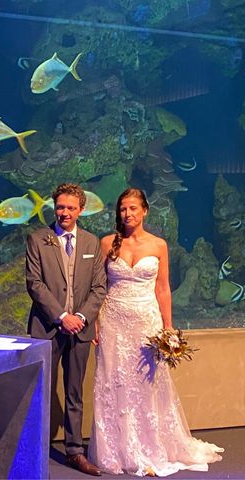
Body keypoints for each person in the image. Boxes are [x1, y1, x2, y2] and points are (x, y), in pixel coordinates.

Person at [89, 188, 223, 477]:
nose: (128, 214)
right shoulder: (107, 243)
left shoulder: (159, 245)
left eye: (134, 208)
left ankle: (151, 447)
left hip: (147, 324)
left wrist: (168, 327)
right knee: (114, 383)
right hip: (113, 321)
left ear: (145, 210)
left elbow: (163, 288)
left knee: (148, 384)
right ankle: (118, 449)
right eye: (123, 208)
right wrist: (95, 322)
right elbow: (97, 287)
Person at [26, 182, 107, 476]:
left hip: (81, 330)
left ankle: (75, 451)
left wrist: (82, 317)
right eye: (60, 207)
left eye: (71, 208)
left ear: (81, 210)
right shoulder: (37, 239)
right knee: (41, 392)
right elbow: (34, 283)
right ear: (54, 207)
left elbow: (99, 287)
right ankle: (35, 448)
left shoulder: (91, 243)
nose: (65, 212)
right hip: (48, 327)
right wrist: (62, 316)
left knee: (75, 393)